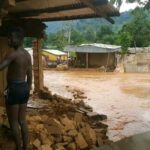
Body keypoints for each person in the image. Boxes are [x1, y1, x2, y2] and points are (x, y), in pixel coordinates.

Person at [0, 27, 32, 150]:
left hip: (14, 88)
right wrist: (28, 88)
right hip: (24, 87)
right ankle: (26, 147)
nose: (8, 40)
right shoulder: (27, 55)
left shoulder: (12, 53)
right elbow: (30, 74)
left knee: (13, 122)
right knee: (22, 120)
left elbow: (1, 67)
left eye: (11, 38)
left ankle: (19, 148)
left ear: (18, 39)